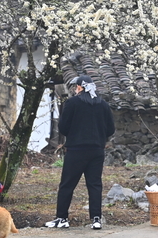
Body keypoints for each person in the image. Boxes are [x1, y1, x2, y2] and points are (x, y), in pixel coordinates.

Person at [45, 75, 116, 229]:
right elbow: (111, 129)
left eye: (76, 87)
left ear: (79, 87)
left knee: (67, 185)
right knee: (95, 184)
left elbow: (63, 127)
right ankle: (96, 219)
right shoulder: (103, 105)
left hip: (76, 150)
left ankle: (62, 218)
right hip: (97, 150)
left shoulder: (72, 103)